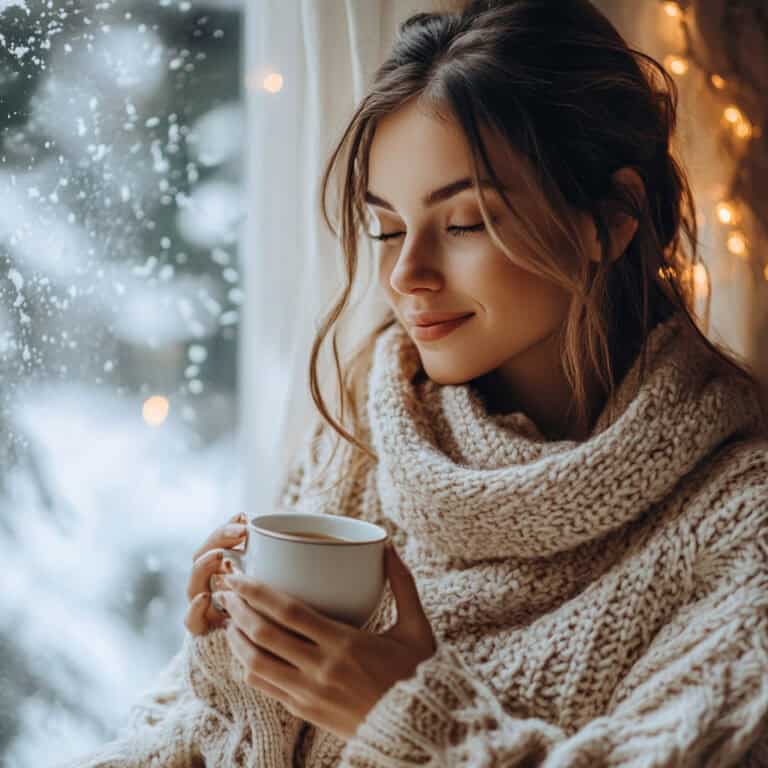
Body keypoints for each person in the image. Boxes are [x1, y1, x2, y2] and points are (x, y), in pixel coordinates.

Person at [59, 0, 768, 765]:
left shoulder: (738, 527)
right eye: (387, 230)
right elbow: (189, 733)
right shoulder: (372, 431)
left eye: (463, 224)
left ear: (612, 217)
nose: (406, 275)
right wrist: (244, 673)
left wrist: (408, 718)